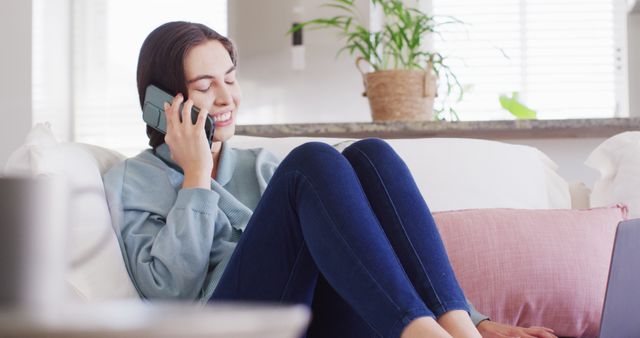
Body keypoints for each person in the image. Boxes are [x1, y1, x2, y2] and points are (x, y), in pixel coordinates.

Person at [103, 21, 557, 338]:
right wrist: (196, 179)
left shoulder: (258, 166)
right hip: (221, 323)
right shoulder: (133, 180)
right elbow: (171, 294)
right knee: (312, 162)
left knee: (371, 155)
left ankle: (460, 328)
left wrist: (478, 319)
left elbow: (354, 247)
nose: (226, 97)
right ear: (164, 103)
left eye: (230, 79)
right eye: (205, 86)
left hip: (309, 316)